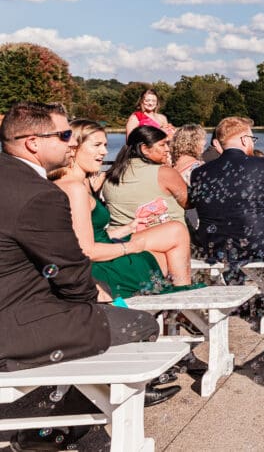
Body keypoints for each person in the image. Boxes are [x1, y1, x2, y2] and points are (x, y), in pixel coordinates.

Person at [0, 102, 172, 450]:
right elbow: (73, 275)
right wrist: (95, 305)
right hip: (13, 325)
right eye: (64, 135)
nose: (70, 144)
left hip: (14, 303)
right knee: (141, 326)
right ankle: (52, 428)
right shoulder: (39, 195)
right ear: (32, 142)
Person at [52, 119, 194, 296]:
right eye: (97, 145)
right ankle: (182, 301)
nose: (104, 152)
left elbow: (84, 236)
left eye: (105, 145)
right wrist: (132, 247)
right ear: (73, 148)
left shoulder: (84, 183)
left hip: (102, 250)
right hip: (99, 269)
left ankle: (180, 300)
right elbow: (86, 250)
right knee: (167, 256)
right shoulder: (74, 188)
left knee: (175, 230)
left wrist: (128, 228)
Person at [189, 116, 264, 265]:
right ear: (244, 140)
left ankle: (238, 278)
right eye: (252, 139)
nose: (253, 144)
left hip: (213, 246)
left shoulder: (199, 172)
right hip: (258, 245)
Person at [103, 126, 189, 232]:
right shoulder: (164, 173)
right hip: (163, 242)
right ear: (144, 149)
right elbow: (189, 203)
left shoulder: (111, 174)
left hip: (118, 241)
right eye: (162, 145)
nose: (167, 149)